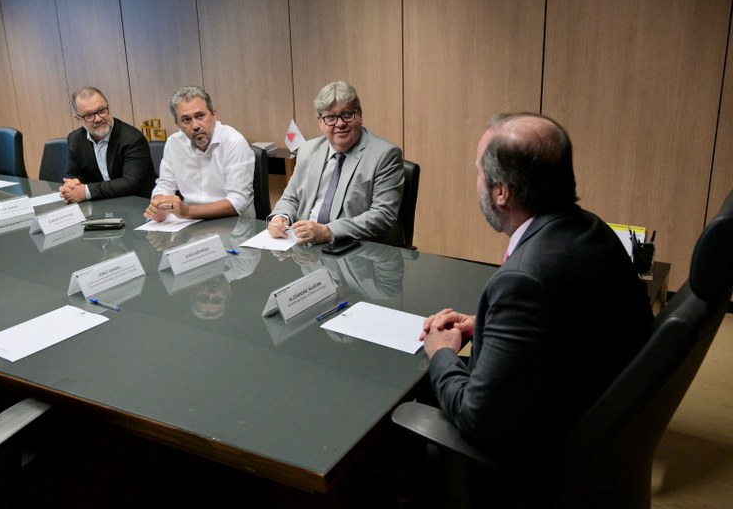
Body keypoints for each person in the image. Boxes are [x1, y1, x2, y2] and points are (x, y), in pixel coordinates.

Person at [340, 112, 654, 509]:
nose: (477, 184)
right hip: (584, 428)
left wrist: (442, 352)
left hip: (520, 465)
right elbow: (564, 321)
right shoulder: (591, 231)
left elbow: (476, 418)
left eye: (478, 173)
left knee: (361, 448)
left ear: (501, 191)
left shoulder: (525, 279)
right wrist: (486, 324)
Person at [267, 81, 404, 245]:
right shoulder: (307, 150)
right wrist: (280, 217)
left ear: (359, 115)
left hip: (355, 250)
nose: (340, 124)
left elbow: (382, 215)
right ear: (320, 121)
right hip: (305, 250)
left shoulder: (384, 155)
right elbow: (291, 198)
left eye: (347, 114)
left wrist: (327, 232)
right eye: (331, 117)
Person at [144, 85, 254, 221]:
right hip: (189, 224)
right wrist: (159, 203)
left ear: (214, 114)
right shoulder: (174, 143)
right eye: (186, 120)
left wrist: (187, 212)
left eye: (200, 116)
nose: (195, 126)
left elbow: (238, 202)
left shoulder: (234, 142)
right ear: (177, 123)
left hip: (232, 225)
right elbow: (165, 184)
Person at [61, 86, 155, 202]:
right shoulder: (75, 139)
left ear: (108, 107)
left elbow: (130, 183)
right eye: (89, 115)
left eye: (101, 111)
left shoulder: (132, 139)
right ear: (78, 118)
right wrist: (71, 186)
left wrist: (85, 192)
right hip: (103, 204)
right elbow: (74, 174)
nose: (98, 119)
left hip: (139, 203)